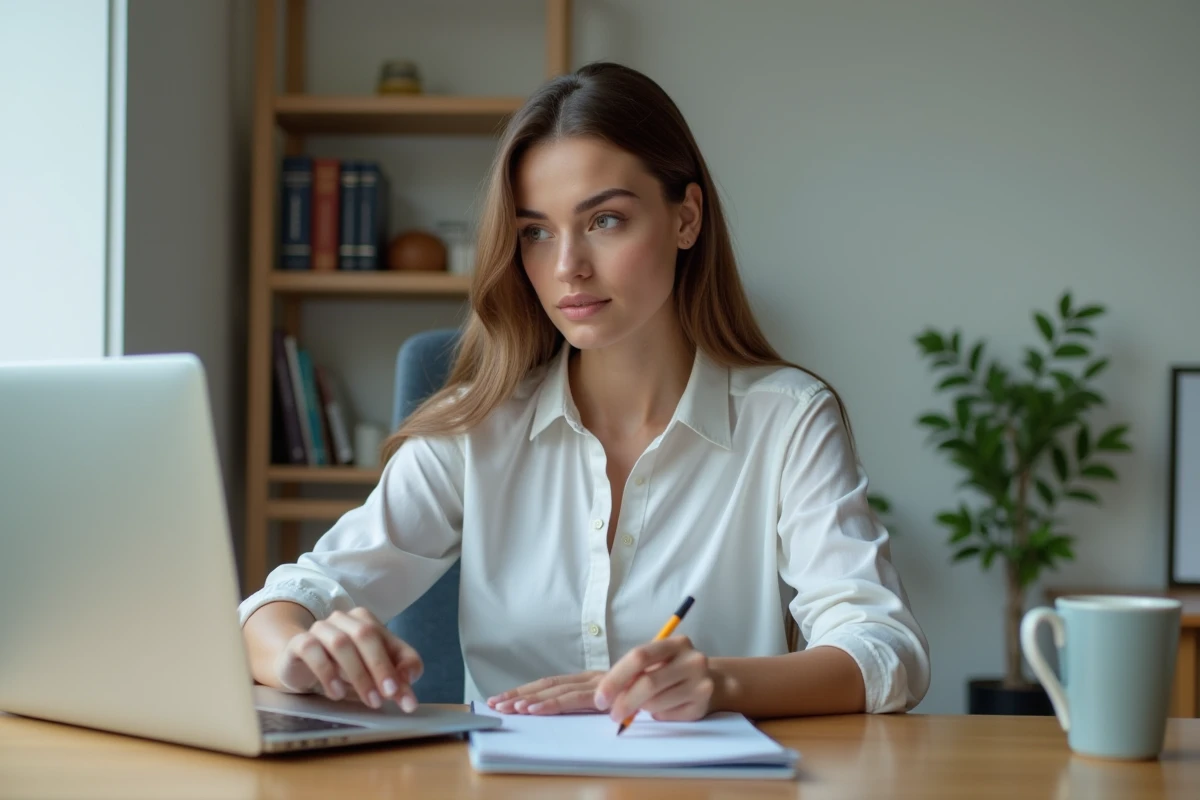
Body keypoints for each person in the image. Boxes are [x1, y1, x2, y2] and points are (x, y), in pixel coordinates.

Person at [240, 62, 930, 724]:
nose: (567, 267)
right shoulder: (475, 428)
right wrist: (299, 652)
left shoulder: (787, 419)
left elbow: (883, 648)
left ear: (686, 218)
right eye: (536, 232)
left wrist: (717, 681)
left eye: (604, 221)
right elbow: (284, 603)